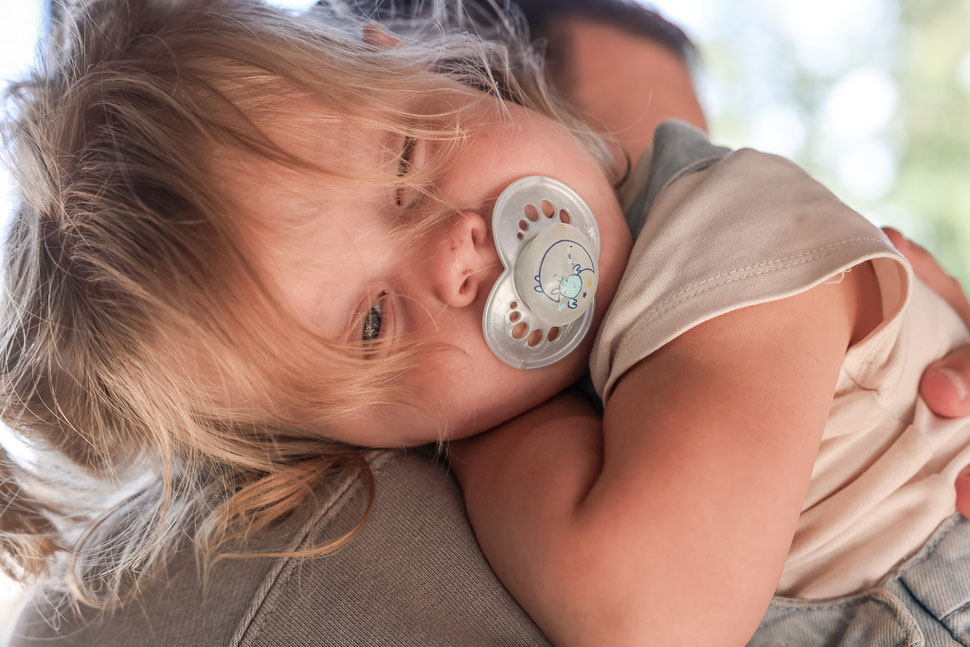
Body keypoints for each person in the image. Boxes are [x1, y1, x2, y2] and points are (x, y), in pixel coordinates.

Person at [2, 1, 969, 646]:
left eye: (406, 163)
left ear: (418, 62)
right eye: (373, 322)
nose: (459, 255)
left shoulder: (731, 232)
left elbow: (655, 614)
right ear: (335, 440)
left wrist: (499, 445)